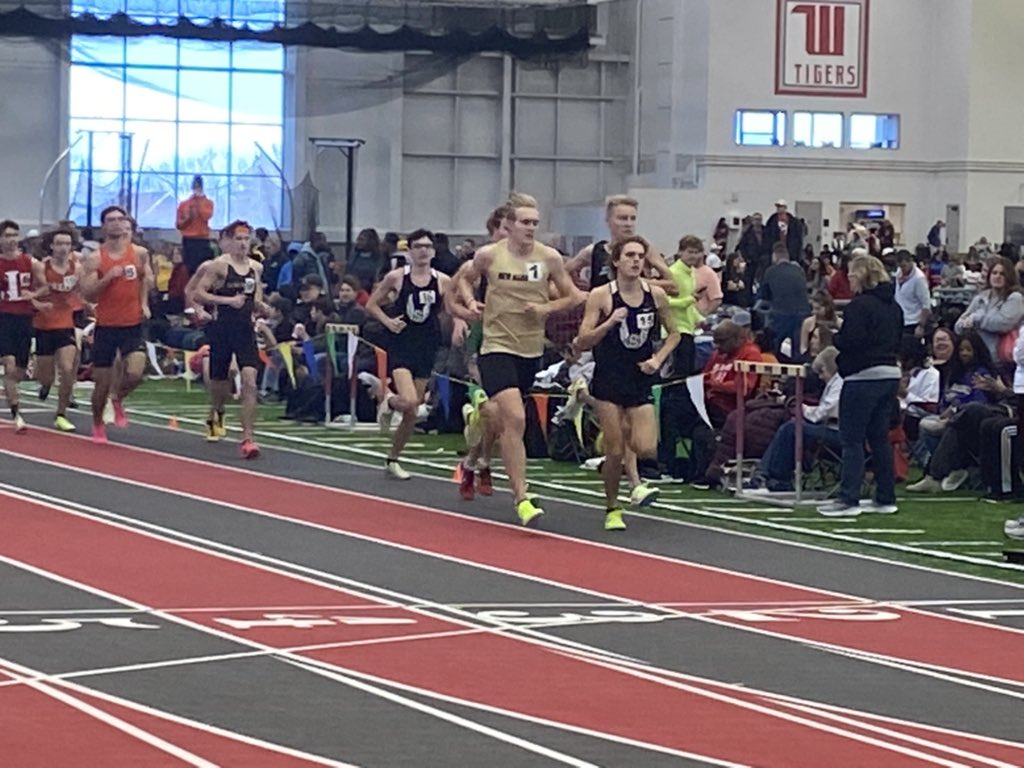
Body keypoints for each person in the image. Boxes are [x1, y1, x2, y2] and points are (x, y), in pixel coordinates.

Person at [454, 193, 582, 526]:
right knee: (515, 418)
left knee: (502, 419)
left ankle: (473, 454)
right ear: (508, 225)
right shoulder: (489, 255)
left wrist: (545, 308)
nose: (531, 228)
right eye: (525, 222)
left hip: (530, 350)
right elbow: (464, 279)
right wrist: (470, 303)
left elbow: (572, 296)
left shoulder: (549, 258)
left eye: (535, 223)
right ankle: (521, 497)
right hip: (496, 346)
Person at [577, 236, 680, 531]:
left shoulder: (655, 295)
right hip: (609, 378)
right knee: (615, 452)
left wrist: (658, 359)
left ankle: (623, 457)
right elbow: (582, 340)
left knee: (646, 447)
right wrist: (609, 322)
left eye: (640, 256)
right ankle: (613, 507)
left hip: (640, 377)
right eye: (630, 255)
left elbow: (674, 333)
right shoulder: (601, 295)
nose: (636, 261)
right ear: (617, 261)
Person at [818, 254, 903, 517]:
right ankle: (885, 497)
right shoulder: (894, 307)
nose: (850, 281)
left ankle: (849, 498)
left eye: (853, 275)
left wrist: (837, 338)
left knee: (852, 439)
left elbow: (852, 340)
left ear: (862, 276)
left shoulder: (860, 305)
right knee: (879, 439)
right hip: (890, 374)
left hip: (862, 377)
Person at [366, 229, 451, 480]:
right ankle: (389, 400)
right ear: (410, 250)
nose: (423, 251)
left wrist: (461, 322)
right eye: (418, 246)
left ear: (433, 251)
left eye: (427, 246)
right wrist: (388, 321)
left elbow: (452, 307)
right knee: (411, 402)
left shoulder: (442, 280)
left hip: (427, 345)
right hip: (402, 344)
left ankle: (393, 458)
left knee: (413, 411)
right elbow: (371, 304)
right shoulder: (397, 277)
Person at [192, 220, 266, 459]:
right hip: (221, 329)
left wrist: (261, 307)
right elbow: (198, 293)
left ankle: (248, 438)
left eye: (246, 239)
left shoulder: (256, 268)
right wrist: (227, 301)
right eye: (239, 239)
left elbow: (256, 296)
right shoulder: (219, 266)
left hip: (245, 330)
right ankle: (217, 411)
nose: (243, 244)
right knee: (219, 382)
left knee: (250, 381)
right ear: (229, 241)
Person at [81, 206, 153, 444]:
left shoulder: (139, 253)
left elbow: (146, 279)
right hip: (107, 325)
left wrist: (144, 303)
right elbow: (88, 294)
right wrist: (108, 278)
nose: (117, 223)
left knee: (135, 372)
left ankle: (118, 398)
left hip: (133, 323)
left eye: (121, 219)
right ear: (104, 226)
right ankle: (97, 423)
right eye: (111, 220)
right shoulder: (95, 258)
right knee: (101, 383)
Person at [31, 229, 83, 432]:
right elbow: (29, 294)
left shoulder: (76, 268)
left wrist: (87, 304)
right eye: (59, 244)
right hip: (43, 325)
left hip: (65, 324)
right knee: (46, 376)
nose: (63, 248)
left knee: (67, 369)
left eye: (67, 244)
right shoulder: (41, 268)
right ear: (51, 246)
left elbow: (81, 291)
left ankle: (61, 414)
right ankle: (45, 385)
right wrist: (38, 304)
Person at [0, 219, 37, 433]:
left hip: (24, 318)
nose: (11, 240)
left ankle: (10, 390)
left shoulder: (30, 262)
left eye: (14, 235)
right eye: (7, 236)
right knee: (10, 364)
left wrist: (35, 296)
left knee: (20, 371)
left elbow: (45, 285)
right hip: (3, 317)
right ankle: (17, 414)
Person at [954, 256, 1024, 361]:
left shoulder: (1015, 298)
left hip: (999, 357)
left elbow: (1002, 324)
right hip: (975, 355)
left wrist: (976, 319)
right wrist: (965, 324)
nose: (997, 276)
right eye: (994, 273)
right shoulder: (980, 298)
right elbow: (959, 325)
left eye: (1002, 274)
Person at [759, 243, 811, 357]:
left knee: (774, 346)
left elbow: (764, 296)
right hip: (802, 314)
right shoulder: (799, 270)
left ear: (774, 256)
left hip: (781, 314)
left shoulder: (770, 271)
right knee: (798, 349)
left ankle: (774, 362)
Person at [176, 175, 214, 275]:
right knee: (189, 269)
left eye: (199, 185)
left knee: (203, 269)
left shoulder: (208, 203)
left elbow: (206, 216)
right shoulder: (184, 204)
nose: (197, 187)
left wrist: (198, 202)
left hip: (202, 240)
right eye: (195, 184)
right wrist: (188, 219)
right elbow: (179, 225)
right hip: (188, 240)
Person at [894, 249, 933, 348]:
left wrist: (921, 326)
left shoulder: (919, 279)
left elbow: (926, 305)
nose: (902, 269)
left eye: (904, 266)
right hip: (900, 320)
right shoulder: (898, 273)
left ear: (911, 261)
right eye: (900, 266)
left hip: (913, 322)